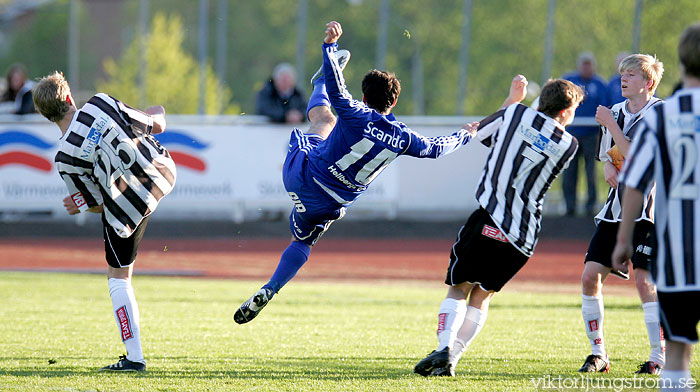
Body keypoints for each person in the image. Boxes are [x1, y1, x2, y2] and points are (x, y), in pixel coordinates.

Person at [234, 21, 477, 325]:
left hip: (301, 176)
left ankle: (316, 81)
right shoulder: (404, 138)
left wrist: (329, 49)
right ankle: (271, 287)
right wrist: (465, 135)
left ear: (364, 96)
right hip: (329, 203)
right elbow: (437, 148)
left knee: (322, 119)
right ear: (396, 101)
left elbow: (337, 91)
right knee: (303, 243)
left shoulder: (355, 112)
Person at [414, 77, 583, 377]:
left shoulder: (516, 112)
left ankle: (443, 348)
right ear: (566, 110)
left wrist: (511, 99)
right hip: (522, 234)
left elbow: (484, 133)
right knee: (482, 295)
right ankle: (452, 358)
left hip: (489, 218)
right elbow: (537, 135)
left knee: (459, 287)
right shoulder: (569, 145)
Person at [32, 71, 177, 372]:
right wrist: (158, 113)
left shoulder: (64, 158)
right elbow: (157, 125)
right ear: (70, 97)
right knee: (124, 270)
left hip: (128, 209)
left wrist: (78, 205)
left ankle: (134, 357)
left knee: (118, 278)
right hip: (159, 177)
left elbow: (97, 205)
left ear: (45, 116)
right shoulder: (100, 103)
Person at [613, 22, 700, 392]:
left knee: (678, 351)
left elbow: (633, 179)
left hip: (678, 248)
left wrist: (622, 241)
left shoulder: (663, 115)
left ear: (680, 63)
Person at [578, 54, 665, 375]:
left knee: (645, 282)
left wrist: (611, 126)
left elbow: (634, 154)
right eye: (621, 74)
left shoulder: (660, 113)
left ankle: (658, 356)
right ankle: (598, 354)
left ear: (649, 83)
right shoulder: (614, 111)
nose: (622, 80)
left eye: (630, 75)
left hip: (651, 213)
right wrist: (606, 169)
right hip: (615, 211)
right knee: (589, 277)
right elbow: (609, 155)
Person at [562, 52, 610, 216]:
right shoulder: (569, 81)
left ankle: (591, 207)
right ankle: (570, 207)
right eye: (584, 64)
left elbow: (606, 106)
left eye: (589, 64)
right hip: (571, 133)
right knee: (569, 171)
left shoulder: (600, 84)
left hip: (592, 135)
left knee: (591, 172)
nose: (586, 67)